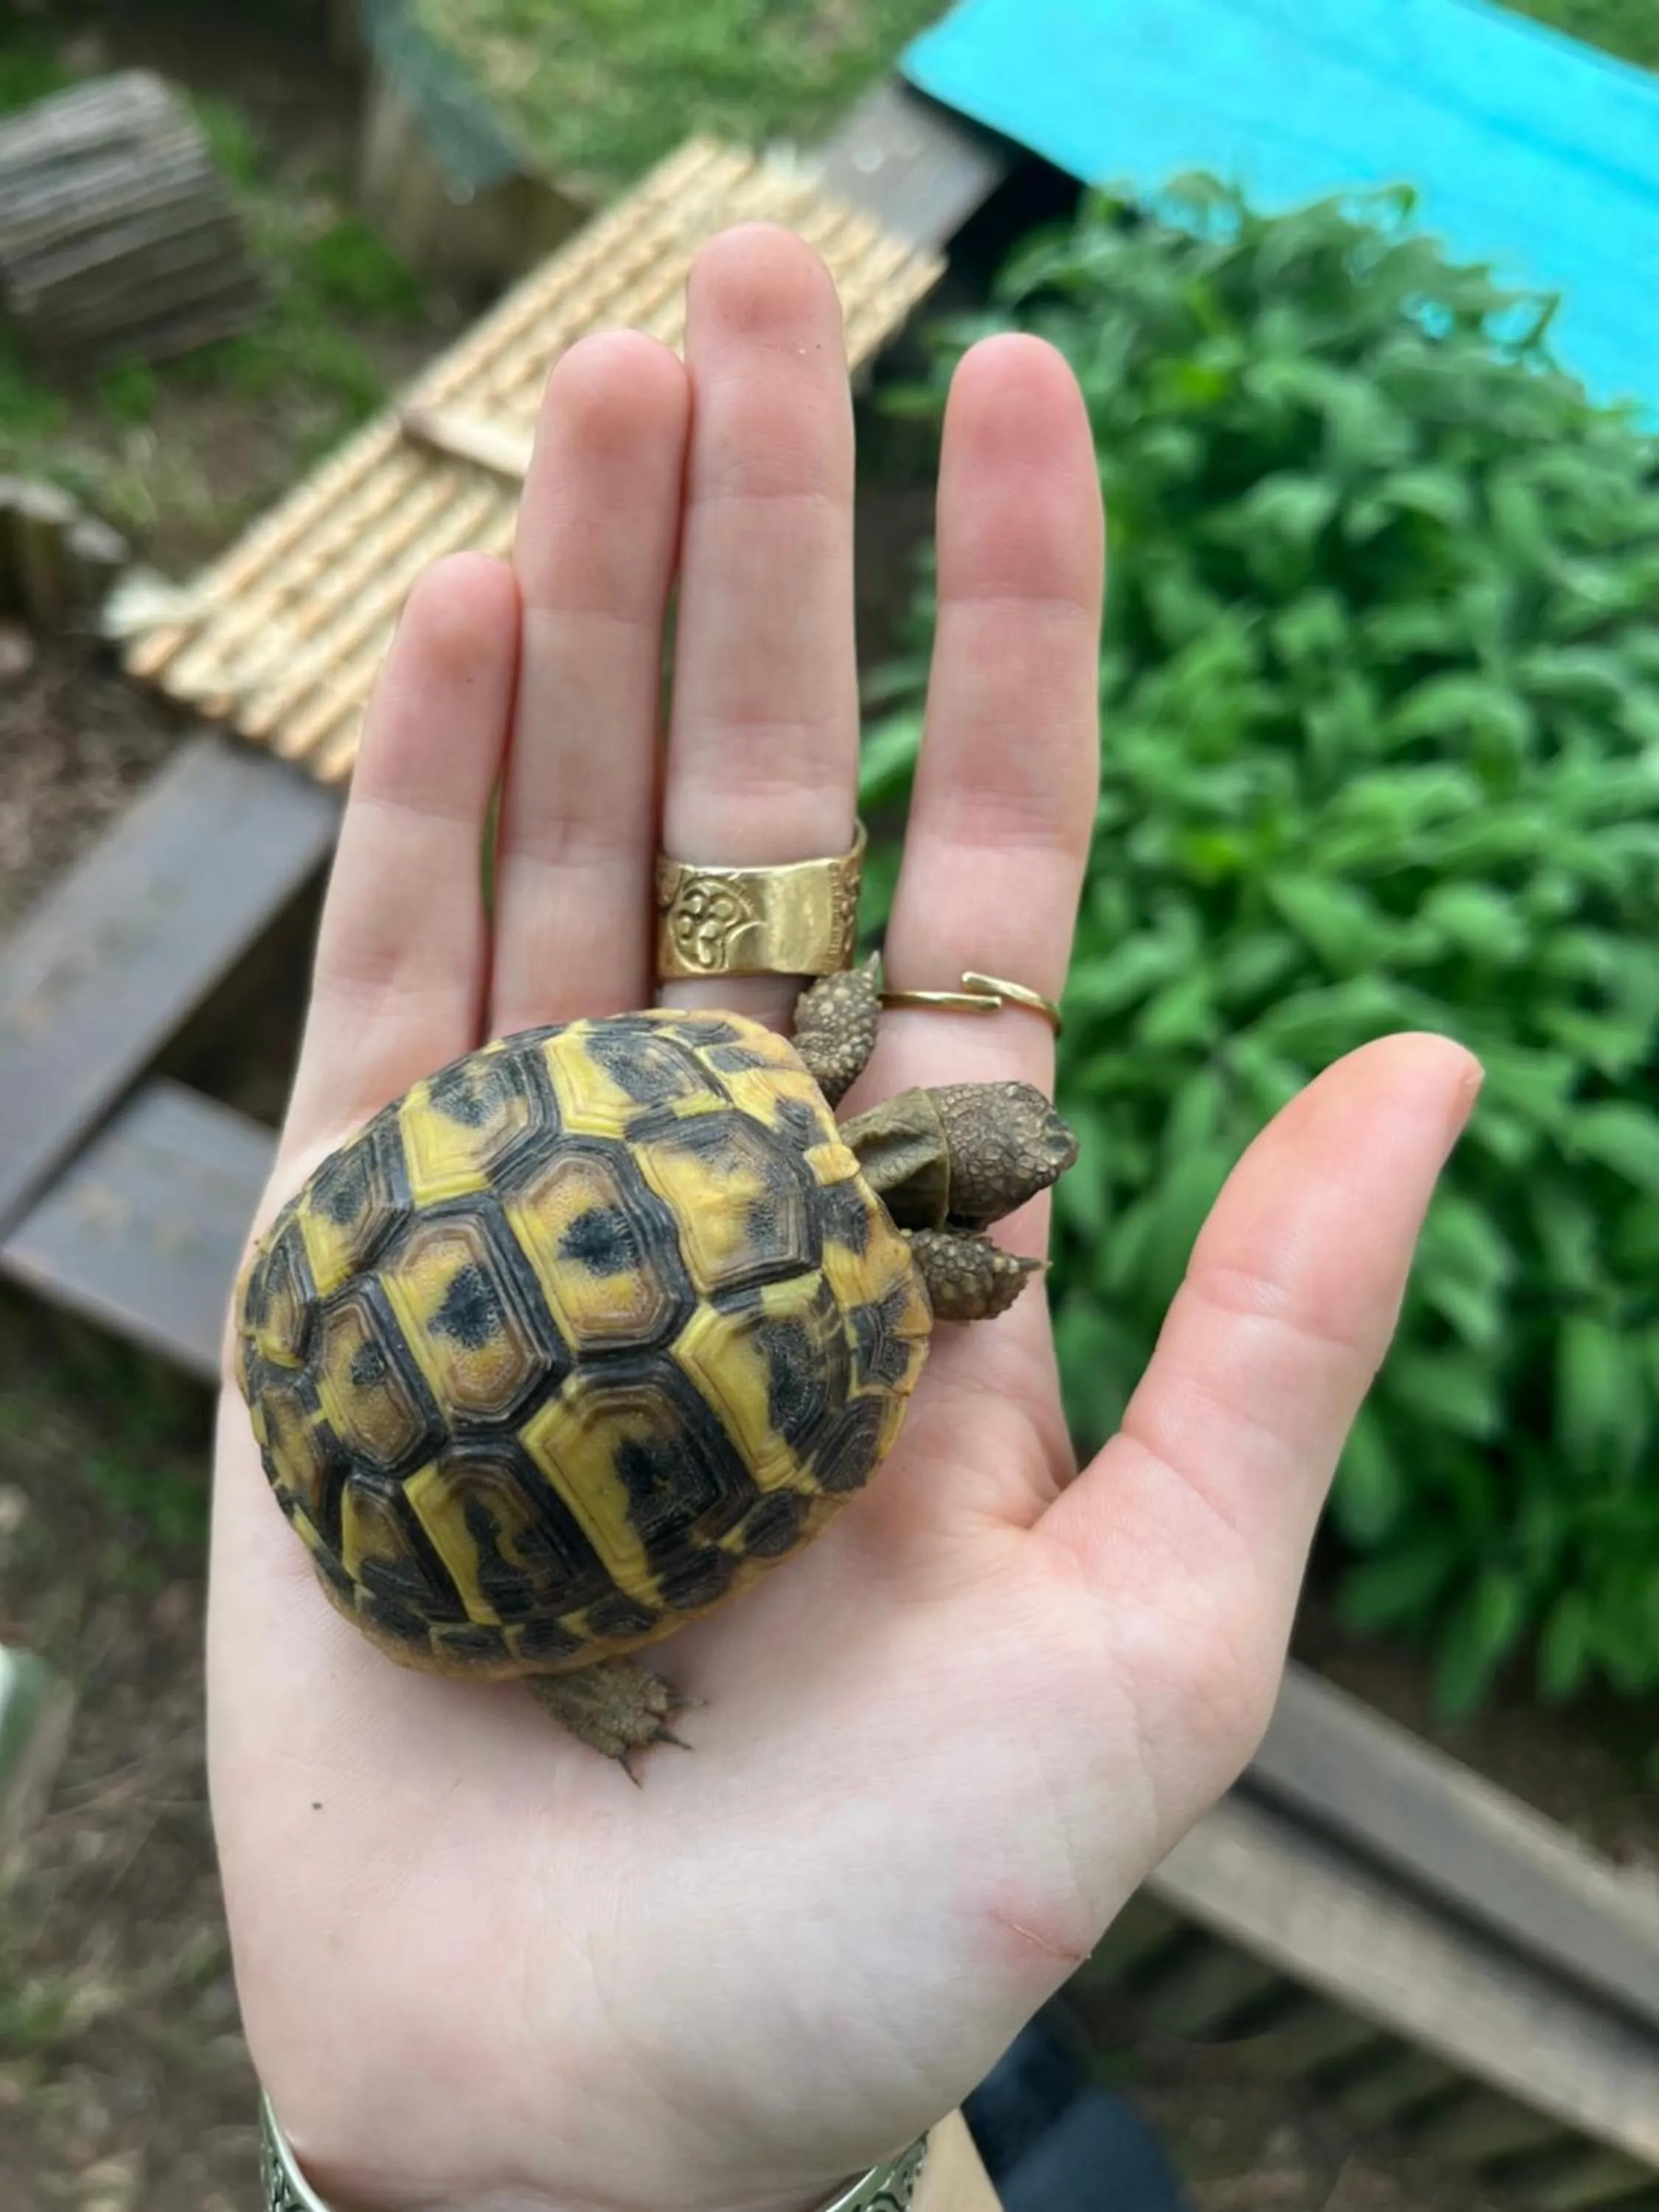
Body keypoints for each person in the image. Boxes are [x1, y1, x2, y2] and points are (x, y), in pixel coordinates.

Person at [207, 223, 1480, 2212]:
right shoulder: (904, 1317)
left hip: (351, 1327)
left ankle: (540, 1628)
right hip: (493, 1507)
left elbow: (820, 1019)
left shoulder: (759, 1076)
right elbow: (932, 1259)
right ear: (952, 1199)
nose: (1016, 1184)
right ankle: (569, 1676)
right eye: (1000, 1180)